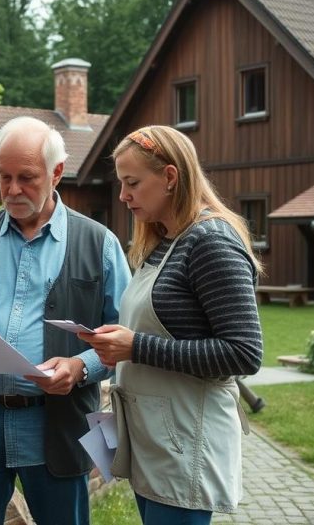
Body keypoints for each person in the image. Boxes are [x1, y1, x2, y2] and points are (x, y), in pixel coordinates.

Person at [0, 116, 130, 525]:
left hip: (62, 422)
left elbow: (127, 339)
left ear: (56, 173)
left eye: (26, 177)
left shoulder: (100, 244)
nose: (13, 189)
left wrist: (80, 366)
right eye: (5, 177)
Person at [82, 125, 263, 525]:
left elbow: (244, 353)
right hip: (156, 439)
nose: (123, 196)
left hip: (186, 442)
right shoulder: (165, 241)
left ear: (169, 177)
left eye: (132, 183)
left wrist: (136, 347)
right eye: (121, 183)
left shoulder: (211, 242)